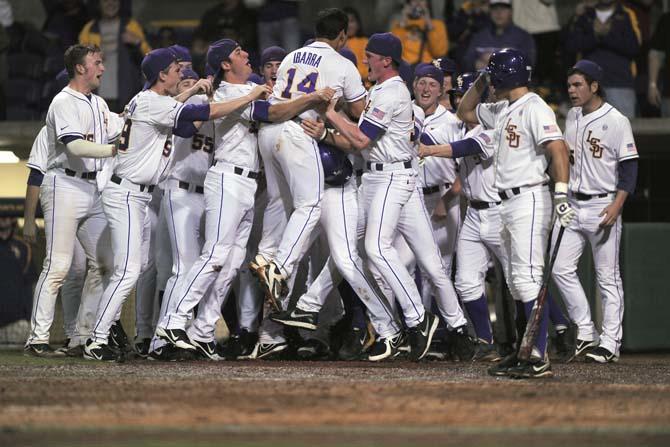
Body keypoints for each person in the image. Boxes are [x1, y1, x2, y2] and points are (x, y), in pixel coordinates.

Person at [83, 47, 268, 361]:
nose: (181, 73)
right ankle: (97, 338)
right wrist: (251, 96)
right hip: (127, 192)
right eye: (174, 69)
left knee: (138, 269)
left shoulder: (148, 100)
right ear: (161, 76)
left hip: (136, 194)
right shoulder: (154, 104)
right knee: (130, 271)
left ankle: (117, 335)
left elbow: (177, 111)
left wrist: (194, 90)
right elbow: (200, 115)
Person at [155, 39, 334, 359]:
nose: (246, 54)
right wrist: (312, 97)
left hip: (247, 184)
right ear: (225, 64)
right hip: (227, 178)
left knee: (233, 261)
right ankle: (174, 321)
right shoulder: (229, 92)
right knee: (215, 255)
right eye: (239, 52)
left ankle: (202, 330)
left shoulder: (246, 89)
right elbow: (274, 112)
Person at [420, 48, 575, 378]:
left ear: (505, 75)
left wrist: (561, 192)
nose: (490, 82)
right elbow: (464, 111)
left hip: (530, 197)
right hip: (507, 202)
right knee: (519, 283)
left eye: (493, 75)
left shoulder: (534, 106)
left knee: (527, 277)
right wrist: (481, 78)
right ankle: (525, 351)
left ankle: (536, 356)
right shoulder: (502, 108)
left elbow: (558, 148)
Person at [321, 32, 472, 361]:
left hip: (392, 176)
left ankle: (421, 319)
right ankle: (446, 326)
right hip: (389, 177)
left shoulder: (391, 92)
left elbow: (361, 139)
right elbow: (368, 136)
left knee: (379, 249)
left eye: (371, 56)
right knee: (358, 247)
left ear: (385, 60)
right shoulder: (385, 91)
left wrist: (330, 116)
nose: (366, 60)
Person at [250, 8, 367, 318]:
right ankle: (280, 268)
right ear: (342, 35)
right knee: (311, 205)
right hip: (298, 131)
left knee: (281, 202)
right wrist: (340, 103)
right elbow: (359, 110)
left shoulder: (291, 56)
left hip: (270, 132)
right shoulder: (342, 63)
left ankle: (267, 259)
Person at [24, 44, 122, 357]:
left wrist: (174, 102)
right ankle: (37, 338)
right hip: (64, 183)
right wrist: (113, 151)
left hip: (92, 189)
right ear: (80, 67)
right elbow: (75, 147)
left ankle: (82, 336)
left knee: (105, 264)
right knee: (58, 266)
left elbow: (126, 124)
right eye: (97, 62)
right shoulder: (63, 101)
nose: (102, 68)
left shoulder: (100, 104)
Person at [551, 60, 638, 364]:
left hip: (603, 204)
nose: (572, 90)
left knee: (607, 278)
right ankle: (586, 331)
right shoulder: (572, 116)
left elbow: (629, 169)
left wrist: (617, 204)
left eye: (578, 85)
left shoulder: (617, 120)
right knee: (559, 268)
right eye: (570, 84)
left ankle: (611, 342)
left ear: (594, 86)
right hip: (573, 204)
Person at [563, 0, 641, 118]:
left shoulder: (626, 14)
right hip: (587, 85)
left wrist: (605, 36)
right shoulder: (584, 14)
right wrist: (594, 36)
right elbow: (570, 45)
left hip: (620, 83)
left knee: (623, 130)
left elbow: (634, 47)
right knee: (587, 131)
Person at [78, 0, 151, 112]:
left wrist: (137, 41)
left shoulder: (131, 26)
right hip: (97, 94)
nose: (111, 3)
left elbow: (150, 59)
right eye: (105, 0)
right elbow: (78, 61)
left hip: (127, 95)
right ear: (98, 4)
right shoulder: (90, 28)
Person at [462, 0, 535, 72]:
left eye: (503, 9)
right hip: (484, 81)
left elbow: (529, 64)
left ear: (511, 12)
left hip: (513, 82)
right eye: (495, 9)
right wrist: (475, 64)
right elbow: (466, 61)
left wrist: (497, 61)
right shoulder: (479, 36)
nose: (499, 13)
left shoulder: (523, 37)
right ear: (489, 11)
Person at [389, 0, 448, 66]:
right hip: (405, 68)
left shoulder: (437, 25)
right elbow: (393, 51)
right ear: (408, 4)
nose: (418, 3)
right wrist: (403, 22)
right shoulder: (399, 26)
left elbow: (439, 53)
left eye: (422, 0)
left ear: (427, 3)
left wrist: (429, 25)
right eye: (414, 0)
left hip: (428, 69)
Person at [342, 7, 368, 82]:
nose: (349, 25)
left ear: (358, 24)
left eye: (352, 21)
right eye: (345, 22)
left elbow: (368, 69)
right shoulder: (336, 43)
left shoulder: (365, 42)